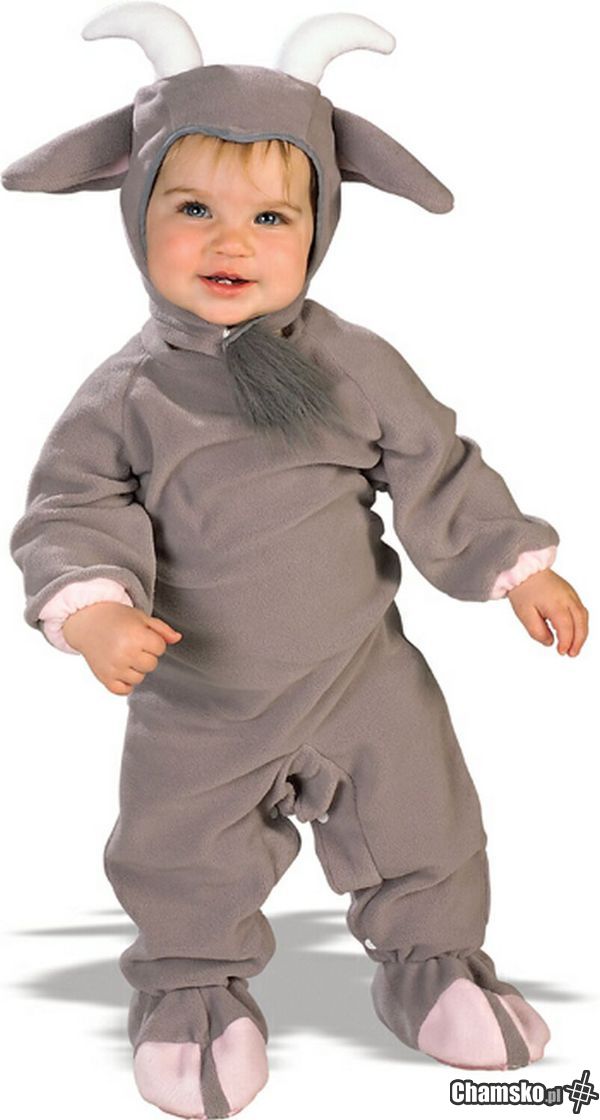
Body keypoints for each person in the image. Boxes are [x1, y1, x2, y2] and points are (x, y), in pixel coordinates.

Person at [3, 5, 588, 1119]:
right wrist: (94, 606)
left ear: (318, 226)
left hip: (362, 669)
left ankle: (434, 968)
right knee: (183, 848)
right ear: (132, 206)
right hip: (202, 689)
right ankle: (192, 991)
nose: (231, 243)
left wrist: (519, 565)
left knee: (425, 819)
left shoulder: (356, 363)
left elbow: (436, 465)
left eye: (270, 215)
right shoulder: (128, 393)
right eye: (193, 208)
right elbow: (71, 505)